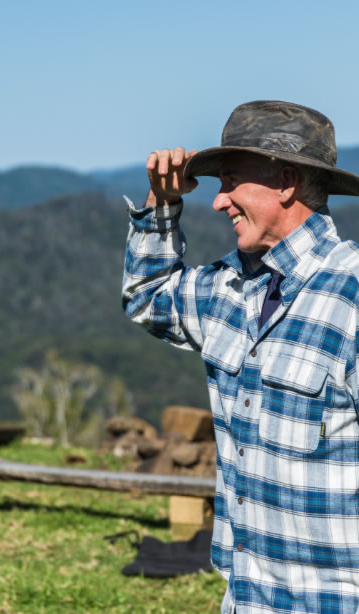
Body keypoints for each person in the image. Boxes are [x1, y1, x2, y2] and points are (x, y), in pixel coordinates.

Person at [122, 100, 359, 613]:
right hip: (245, 600)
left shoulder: (352, 295)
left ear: (287, 182)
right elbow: (147, 297)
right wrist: (161, 207)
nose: (218, 201)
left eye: (230, 183)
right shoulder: (226, 288)